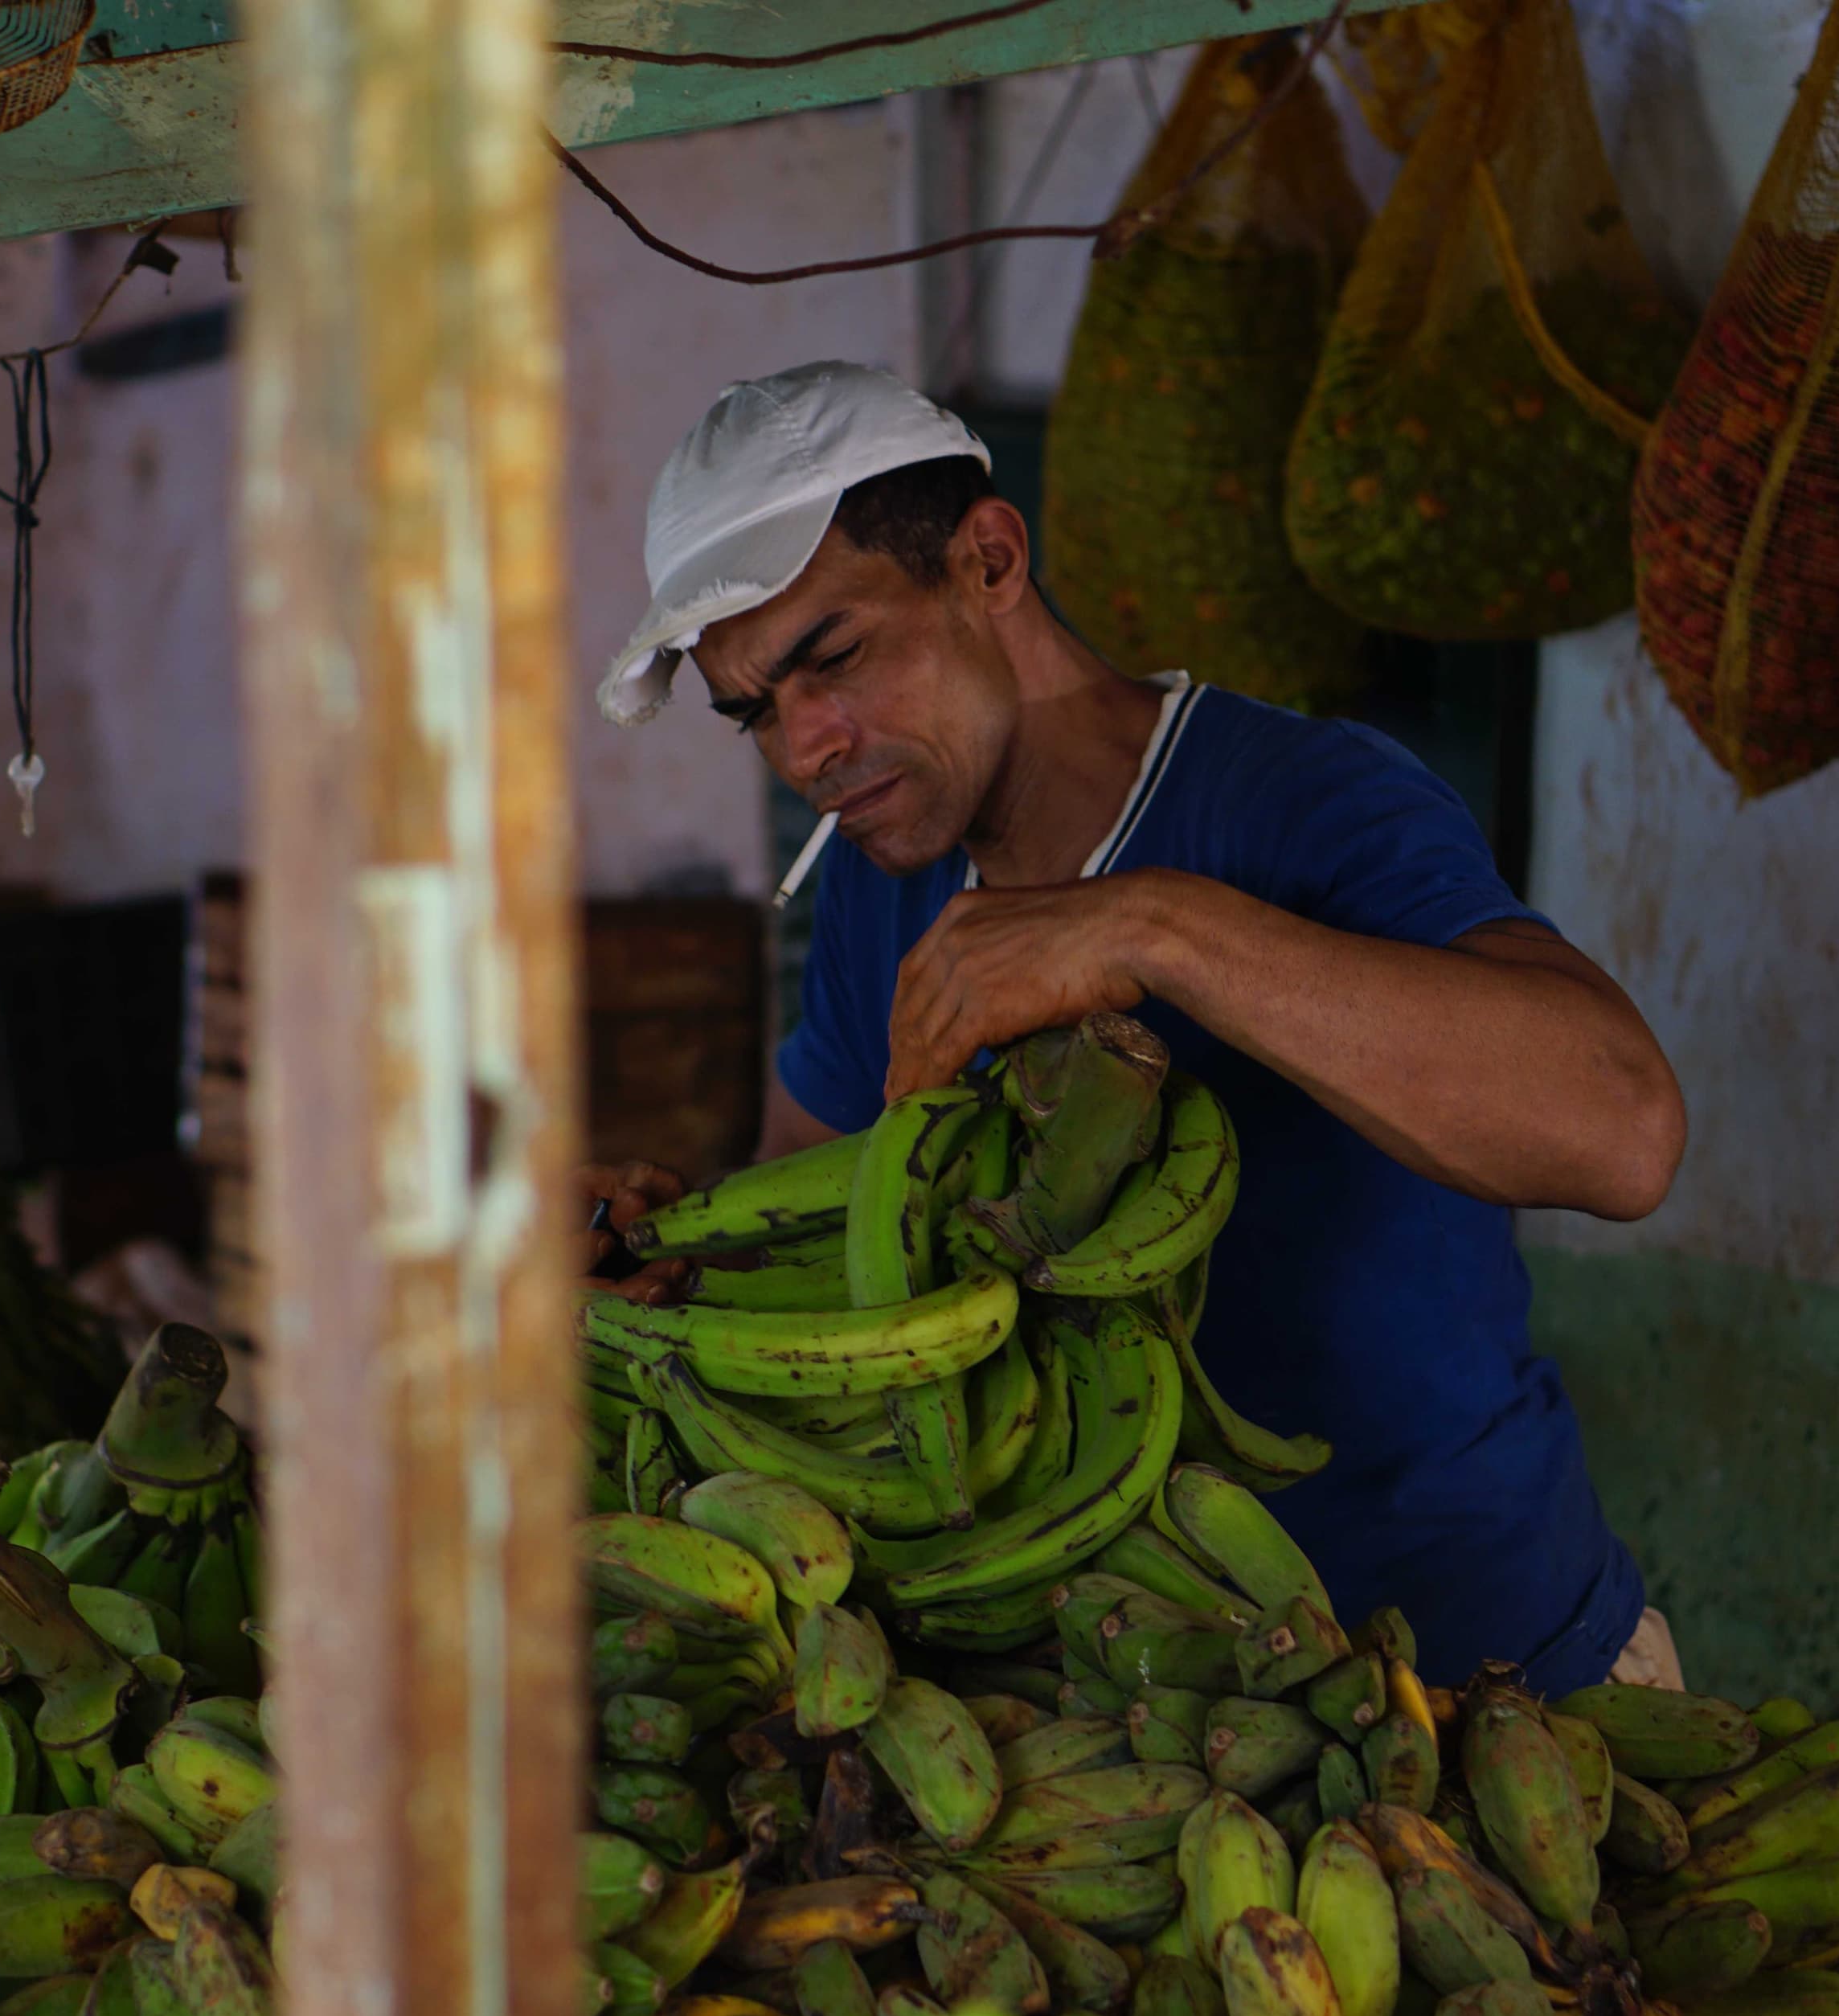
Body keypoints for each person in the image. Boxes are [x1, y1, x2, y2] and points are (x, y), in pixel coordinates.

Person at [583, 362, 1689, 1696]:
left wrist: (1149, 928)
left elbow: (1623, 1134)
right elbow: (806, 1198)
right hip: (1148, 1725)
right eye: (757, 710)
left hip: (1489, 1678)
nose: (810, 743)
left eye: (839, 656)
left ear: (989, 561)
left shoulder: (1300, 799)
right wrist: (676, 1257)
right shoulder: (884, 891)